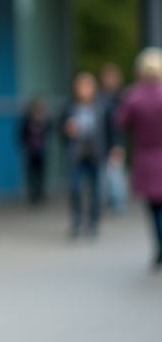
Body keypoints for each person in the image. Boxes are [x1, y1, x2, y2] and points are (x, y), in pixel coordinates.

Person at [117, 48, 162, 269]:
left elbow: (123, 123)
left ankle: (159, 245)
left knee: (154, 207)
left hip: (146, 156)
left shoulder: (134, 97)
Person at [61, 72, 111, 238]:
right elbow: (60, 131)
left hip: (96, 154)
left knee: (97, 190)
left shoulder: (102, 107)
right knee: (75, 188)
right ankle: (77, 220)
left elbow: (111, 130)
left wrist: (115, 149)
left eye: (86, 86)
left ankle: (93, 223)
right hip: (77, 155)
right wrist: (67, 130)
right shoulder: (70, 107)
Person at [99, 62, 129, 213]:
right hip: (101, 142)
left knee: (116, 175)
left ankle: (119, 204)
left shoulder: (121, 98)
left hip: (115, 141)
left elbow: (121, 125)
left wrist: (119, 144)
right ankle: (104, 203)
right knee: (103, 176)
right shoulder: (99, 98)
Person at [21, 97, 51, 205]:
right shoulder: (27, 120)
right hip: (31, 152)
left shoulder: (45, 120)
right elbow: (22, 134)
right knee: (31, 175)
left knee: (41, 174)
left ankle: (40, 194)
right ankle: (32, 195)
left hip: (42, 151)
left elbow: (49, 133)